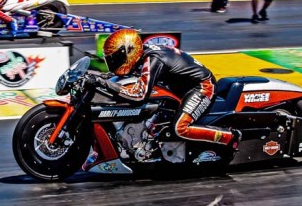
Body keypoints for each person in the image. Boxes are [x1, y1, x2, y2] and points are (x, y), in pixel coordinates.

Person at [95, 29, 241, 157]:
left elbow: (139, 95)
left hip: (202, 87)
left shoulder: (153, 59)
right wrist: (102, 78)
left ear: (129, 52)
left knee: (180, 128)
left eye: (116, 59)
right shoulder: (143, 56)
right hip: (180, 87)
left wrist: (104, 83)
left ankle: (229, 137)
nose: (113, 63)